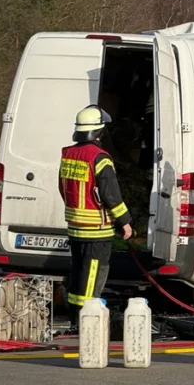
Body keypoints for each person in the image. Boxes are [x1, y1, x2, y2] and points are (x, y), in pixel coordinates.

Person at [59, 106, 132, 326]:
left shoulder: (68, 154)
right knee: (91, 276)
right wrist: (125, 222)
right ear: (99, 132)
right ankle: (86, 321)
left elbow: (63, 188)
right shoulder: (100, 158)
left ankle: (74, 318)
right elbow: (111, 195)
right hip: (96, 230)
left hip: (75, 226)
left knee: (78, 272)